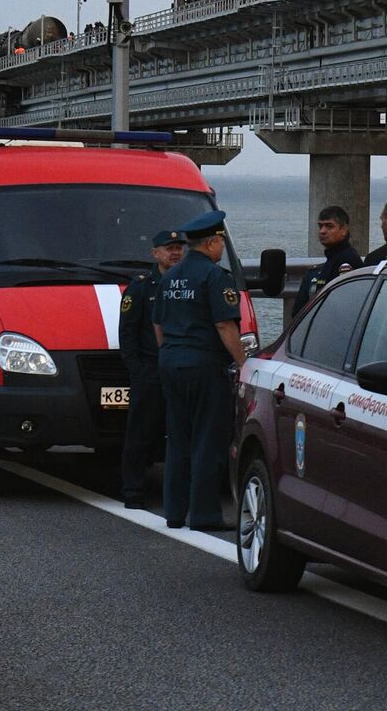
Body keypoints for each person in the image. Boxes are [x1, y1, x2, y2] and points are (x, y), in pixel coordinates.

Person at [152, 209, 246, 531]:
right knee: (208, 439)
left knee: (177, 438)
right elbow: (224, 324)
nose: (221, 247)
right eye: (220, 241)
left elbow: (159, 324)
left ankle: (175, 512)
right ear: (210, 243)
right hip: (204, 366)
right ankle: (205, 514)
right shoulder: (214, 277)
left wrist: (171, 354)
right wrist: (244, 364)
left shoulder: (169, 278)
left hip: (171, 363)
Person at [117, 228, 184, 509]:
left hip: (180, 372)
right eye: (168, 248)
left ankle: (180, 491)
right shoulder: (142, 287)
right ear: (155, 253)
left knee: (180, 432)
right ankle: (132, 488)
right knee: (140, 432)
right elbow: (128, 332)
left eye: (179, 247)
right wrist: (137, 370)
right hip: (150, 371)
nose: (175, 252)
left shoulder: (188, 284)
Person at [294, 205, 364, 317]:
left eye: (329, 226)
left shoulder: (347, 260)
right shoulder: (332, 260)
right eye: (320, 226)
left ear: (344, 229)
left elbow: (342, 305)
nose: (322, 231)